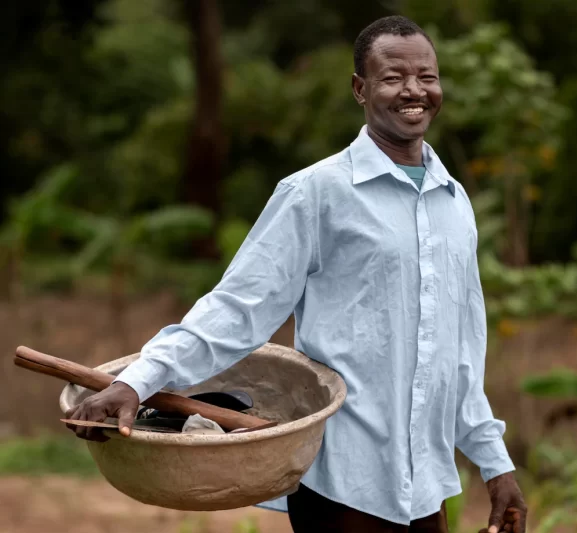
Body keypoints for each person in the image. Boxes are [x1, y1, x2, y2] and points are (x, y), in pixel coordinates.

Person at [66, 15, 527, 533]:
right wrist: (139, 381)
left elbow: (459, 354)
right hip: (342, 484)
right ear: (360, 89)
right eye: (393, 77)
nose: (413, 91)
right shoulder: (316, 193)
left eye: (426, 76)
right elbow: (237, 309)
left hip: (426, 489)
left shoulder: (454, 202)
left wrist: (496, 465)